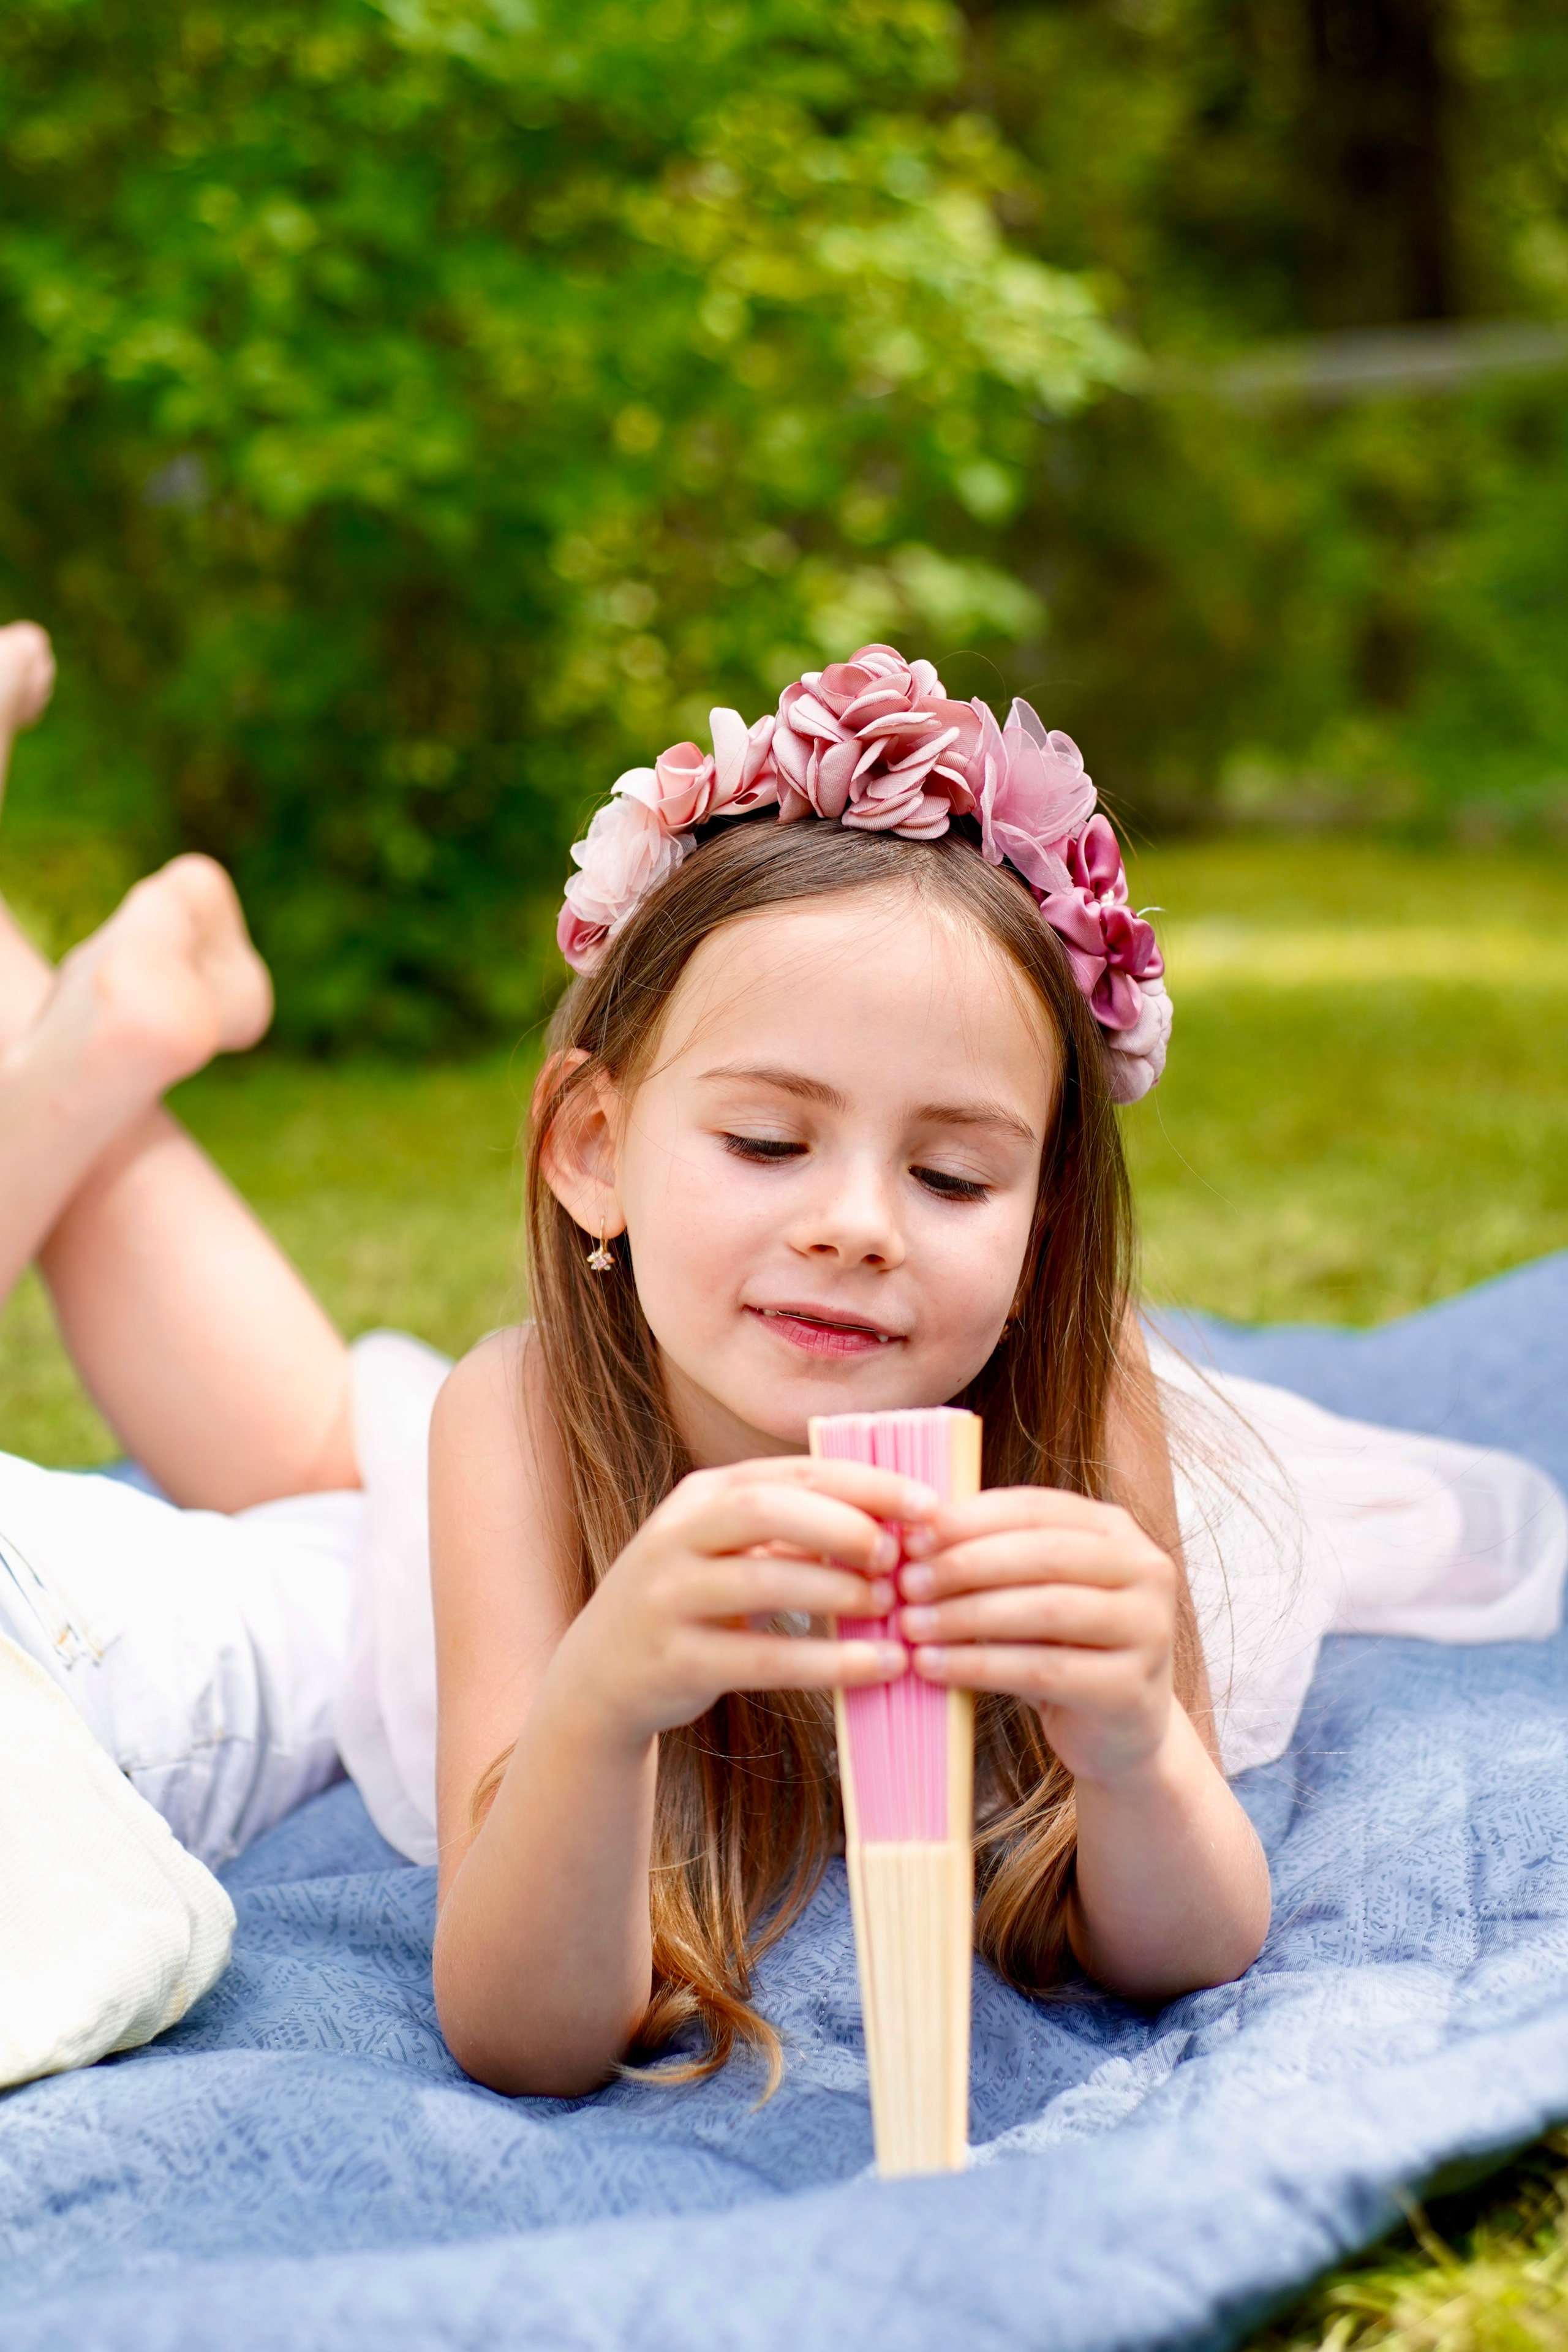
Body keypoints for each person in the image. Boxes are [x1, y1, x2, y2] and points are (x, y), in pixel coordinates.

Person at [1, 627, 1561, 2097]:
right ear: (594, 1151)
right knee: (332, 1451)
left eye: (953, 1180)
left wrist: (1136, 1741)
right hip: (522, 1500)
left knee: (311, 1444)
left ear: (1043, 1220)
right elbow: (520, 2028)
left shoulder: (1074, 1413)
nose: (859, 1226)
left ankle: (64, 1029)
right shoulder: (525, 1416)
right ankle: (60, 1018)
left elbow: (1189, 1940)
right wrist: (598, 1702)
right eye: (765, 1140)